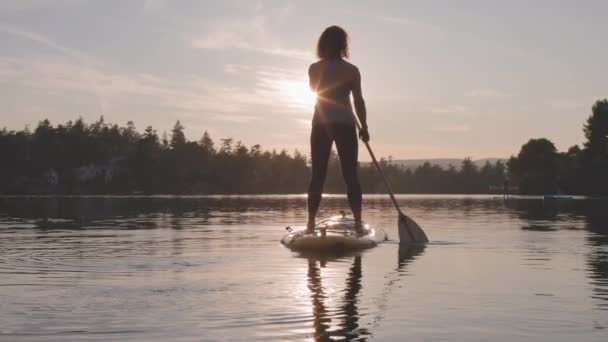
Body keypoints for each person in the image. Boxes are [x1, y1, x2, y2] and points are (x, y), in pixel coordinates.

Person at [306, 26, 369, 234]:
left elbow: (316, 89)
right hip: (344, 124)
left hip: (322, 124)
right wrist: (364, 126)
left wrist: (364, 126)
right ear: (344, 44)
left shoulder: (314, 68)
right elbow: (358, 100)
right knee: (350, 175)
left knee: (318, 175)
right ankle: (358, 222)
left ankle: (311, 223)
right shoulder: (351, 70)